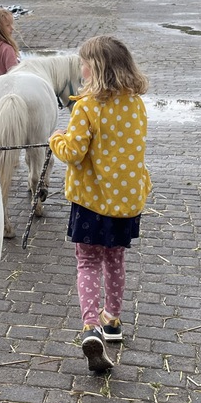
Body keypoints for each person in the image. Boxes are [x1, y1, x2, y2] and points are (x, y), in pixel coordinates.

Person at [48, 35, 151, 371]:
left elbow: (74, 153)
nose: (81, 68)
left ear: (96, 68)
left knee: (88, 262)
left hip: (91, 202)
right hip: (125, 203)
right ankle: (113, 322)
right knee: (115, 260)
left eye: (84, 63)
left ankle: (91, 326)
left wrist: (55, 141)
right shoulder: (136, 104)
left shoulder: (86, 107)